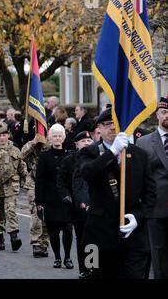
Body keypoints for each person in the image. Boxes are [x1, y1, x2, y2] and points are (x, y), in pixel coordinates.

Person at [78, 107, 156, 278]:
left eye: (116, 123)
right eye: (107, 124)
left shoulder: (140, 155)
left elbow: (151, 195)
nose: (113, 128)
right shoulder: (89, 152)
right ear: (98, 128)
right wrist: (112, 152)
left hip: (133, 236)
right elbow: (87, 173)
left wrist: (138, 217)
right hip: (99, 236)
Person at [136, 96, 168, 279]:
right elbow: (140, 177)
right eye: (164, 112)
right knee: (159, 256)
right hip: (156, 208)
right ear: (157, 114)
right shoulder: (144, 142)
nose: (167, 115)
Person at [57, 131, 94, 278]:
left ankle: (92, 268)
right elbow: (61, 182)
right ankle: (84, 268)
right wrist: (67, 197)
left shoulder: (97, 157)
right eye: (83, 141)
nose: (86, 143)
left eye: (88, 141)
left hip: (95, 205)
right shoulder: (69, 160)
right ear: (76, 144)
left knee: (93, 239)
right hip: (77, 207)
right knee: (82, 239)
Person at [35, 123, 73, 269]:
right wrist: (39, 202)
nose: (57, 138)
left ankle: (68, 257)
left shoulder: (70, 155)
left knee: (68, 229)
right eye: (54, 136)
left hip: (67, 199)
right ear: (50, 138)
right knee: (54, 232)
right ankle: (57, 257)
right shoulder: (44, 157)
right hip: (50, 199)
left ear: (63, 138)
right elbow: (40, 180)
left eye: (59, 136)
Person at [0, 122, 27, 252]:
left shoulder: (15, 150)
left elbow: (22, 167)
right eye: (0, 135)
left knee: (10, 209)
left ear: (8, 136)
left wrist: (26, 181)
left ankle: (14, 236)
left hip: (12, 185)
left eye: (5, 135)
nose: (2, 138)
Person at [21, 135, 50, 258]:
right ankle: (36, 242)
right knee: (36, 212)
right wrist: (34, 143)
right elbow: (21, 156)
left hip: (49, 183)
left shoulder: (52, 144)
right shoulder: (32, 144)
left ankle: (44, 242)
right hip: (33, 182)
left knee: (47, 213)